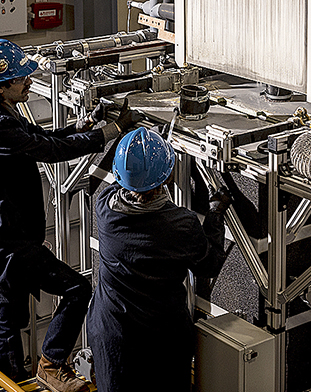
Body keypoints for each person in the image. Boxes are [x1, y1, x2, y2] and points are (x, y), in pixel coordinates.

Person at [0, 39, 138, 392]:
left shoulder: (0, 116)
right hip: (6, 242)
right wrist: (109, 133)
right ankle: (50, 364)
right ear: (1, 84)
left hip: (2, 235)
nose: (29, 81)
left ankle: (12, 382)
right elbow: (50, 150)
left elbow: (43, 136)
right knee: (77, 288)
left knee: (10, 311)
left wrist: (84, 125)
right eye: (22, 78)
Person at [87, 126, 230, 392]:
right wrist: (215, 213)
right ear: (167, 177)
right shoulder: (179, 225)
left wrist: (140, 154)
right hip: (161, 339)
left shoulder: (104, 207)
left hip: (112, 334)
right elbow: (208, 265)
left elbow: (124, 180)